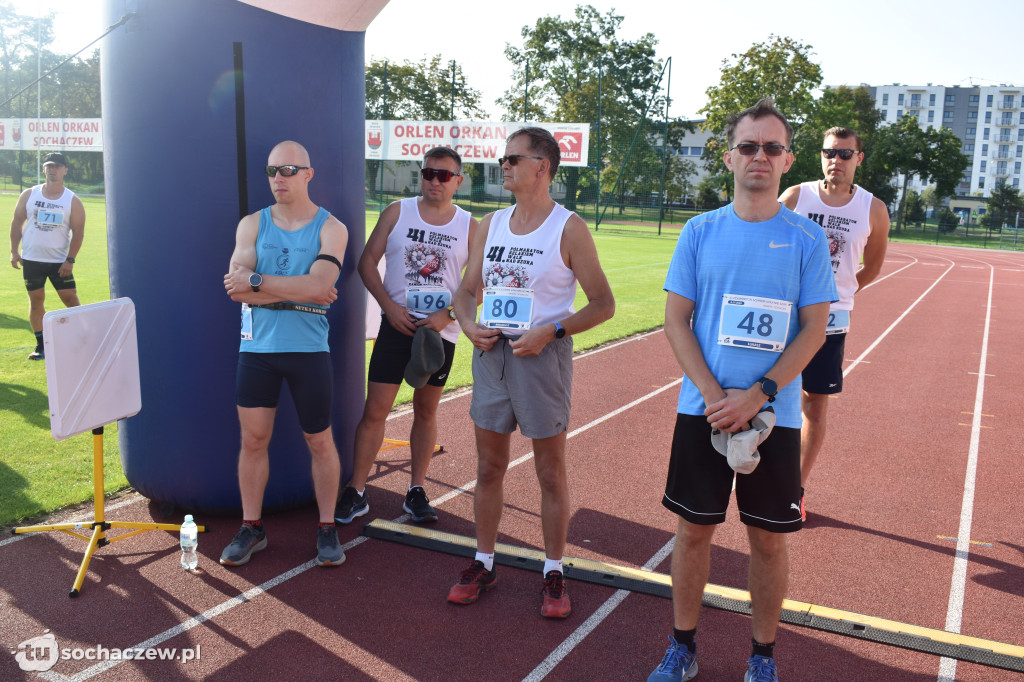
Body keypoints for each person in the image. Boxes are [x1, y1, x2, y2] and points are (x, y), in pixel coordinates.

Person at [648, 99, 837, 682]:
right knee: (693, 530)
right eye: (749, 146)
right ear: (730, 156)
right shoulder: (699, 231)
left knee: (768, 543)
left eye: (772, 148)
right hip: (702, 411)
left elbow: (814, 327)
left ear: (787, 161)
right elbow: (675, 319)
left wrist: (761, 393)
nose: (760, 156)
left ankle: (762, 658)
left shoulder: (806, 238)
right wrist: (712, 394)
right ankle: (683, 647)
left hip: (771, 417)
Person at [446, 127, 615, 619]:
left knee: (549, 472)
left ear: (542, 166)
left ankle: (554, 570)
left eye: (513, 159)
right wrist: (467, 322)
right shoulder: (491, 223)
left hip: (540, 358)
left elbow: (603, 305)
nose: (503, 166)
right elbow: (464, 289)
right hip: (491, 356)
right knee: (488, 467)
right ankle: (483, 562)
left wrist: (552, 331)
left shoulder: (569, 227)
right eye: (503, 159)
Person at [221, 140, 349, 568]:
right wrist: (299, 291)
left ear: (308, 174)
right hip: (257, 349)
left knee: (319, 441)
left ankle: (327, 527)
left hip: (309, 350)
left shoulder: (332, 227)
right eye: (272, 170)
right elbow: (237, 288)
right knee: (253, 440)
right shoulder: (252, 224)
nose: (278, 178)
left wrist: (260, 283)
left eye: (289, 170)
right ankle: (251, 527)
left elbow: (320, 284)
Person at [334, 147, 478, 525]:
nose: (434, 181)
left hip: (438, 333)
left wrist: (445, 314)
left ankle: (416, 490)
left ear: (458, 182)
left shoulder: (469, 226)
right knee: (376, 410)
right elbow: (367, 262)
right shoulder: (397, 212)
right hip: (396, 325)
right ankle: (358, 490)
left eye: (444, 175)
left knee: (426, 410)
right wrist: (388, 307)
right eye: (429, 173)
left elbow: (478, 283)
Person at [779, 127, 891, 520]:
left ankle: (795, 489)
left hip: (831, 321)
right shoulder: (796, 197)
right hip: (784, 316)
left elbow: (872, 266)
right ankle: (758, 468)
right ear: (820, 156)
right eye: (830, 153)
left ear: (859, 159)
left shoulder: (873, 209)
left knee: (814, 406)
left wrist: (837, 295)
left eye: (845, 154)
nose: (836, 161)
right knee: (765, 393)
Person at [9, 152, 86, 361]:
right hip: (32, 260)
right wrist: (14, 251)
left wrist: (70, 260)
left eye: (57, 166)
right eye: (49, 166)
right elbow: (17, 222)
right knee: (36, 301)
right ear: (44, 169)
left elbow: (78, 232)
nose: (52, 170)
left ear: (65, 171)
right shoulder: (29, 194)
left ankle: (82, 339)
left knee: (70, 299)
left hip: (59, 262)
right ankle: (41, 346)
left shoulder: (72, 200)